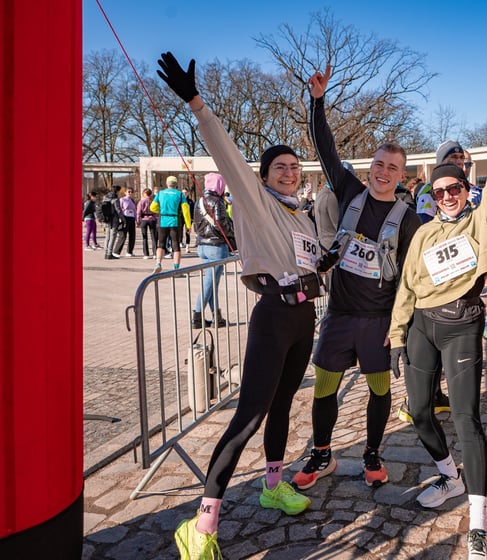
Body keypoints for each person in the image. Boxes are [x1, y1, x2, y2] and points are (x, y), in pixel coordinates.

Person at [158, 51, 322, 560]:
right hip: (273, 318)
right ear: (265, 175)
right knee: (248, 416)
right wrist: (196, 103)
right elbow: (226, 152)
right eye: (281, 167)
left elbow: (309, 262)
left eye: (295, 167)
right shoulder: (256, 201)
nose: (290, 173)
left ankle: (273, 485)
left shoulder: (304, 214)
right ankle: (201, 525)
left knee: (283, 406)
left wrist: (329, 259)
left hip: (303, 317)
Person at [389, 75, 487, 560]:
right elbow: (406, 290)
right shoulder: (423, 234)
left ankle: (476, 525)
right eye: (440, 190)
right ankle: (449, 477)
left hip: (462, 327)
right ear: (430, 195)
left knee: (468, 419)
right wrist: (394, 339)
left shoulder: (478, 220)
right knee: (419, 411)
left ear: (466, 190)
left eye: (456, 188)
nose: (448, 195)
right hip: (421, 329)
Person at [291, 65, 421, 492]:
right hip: (341, 313)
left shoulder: (408, 218)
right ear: (370, 169)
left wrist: (404, 325)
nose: (383, 172)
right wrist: (317, 101)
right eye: (379, 165)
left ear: (402, 175)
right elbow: (325, 147)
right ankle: (322, 453)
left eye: (392, 168)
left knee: (379, 391)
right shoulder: (348, 191)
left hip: (379, 320)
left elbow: (415, 273)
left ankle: (372, 453)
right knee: (324, 387)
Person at [193, 172, 236, 329]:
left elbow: (196, 224)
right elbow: (221, 225)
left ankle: (216, 317)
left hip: (202, 245)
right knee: (210, 283)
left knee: (211, 283)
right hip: (216, 246)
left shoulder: (199, 201)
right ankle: (197, 316)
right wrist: (234, 232)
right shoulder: (217, 201)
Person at [151, 176, 192, 273]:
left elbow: (152, 207)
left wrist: (161, 211)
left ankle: (158, 263)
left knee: (160, 244)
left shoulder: (160, 193)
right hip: (175, 220)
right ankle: (176, 268)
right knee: (176, 245)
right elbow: (186, 211)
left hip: (163, 220)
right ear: (176, 184)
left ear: (167, 184)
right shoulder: (180, 194)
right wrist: (188, 225)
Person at [102, 185, 126, 260]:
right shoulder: (115, 198)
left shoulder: (105, 197)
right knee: (113, 237)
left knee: (107, 237)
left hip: (106, 219)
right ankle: (109, 254)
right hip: (113, 219)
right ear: (117, 191)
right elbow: (118, 210)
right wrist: (123, 219)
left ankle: (106, 253)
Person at [115, 187, 137, 257]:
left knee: (132, 235)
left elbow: (134, 210)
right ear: (125, 193)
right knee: (123, 235)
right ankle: (116, 252)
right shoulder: (122, 200)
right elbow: (119, 209)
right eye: (129, 192)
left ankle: (129, 251)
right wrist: (120, 218)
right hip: (125, 218)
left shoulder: (132, 200)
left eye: (131, 192)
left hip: (132, 218)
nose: (130, 193)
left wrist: (136, 219)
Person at [137, 188, 158, 259]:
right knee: (154, 237)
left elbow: (138, 212)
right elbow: (157, 212)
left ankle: (146, 254)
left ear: (144, 194)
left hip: (144, 219)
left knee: (144, 237)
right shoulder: (153, 201)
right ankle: (155, 253)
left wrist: (138, 221)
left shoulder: (141, 202)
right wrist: (157, 220)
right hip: (152, 219)